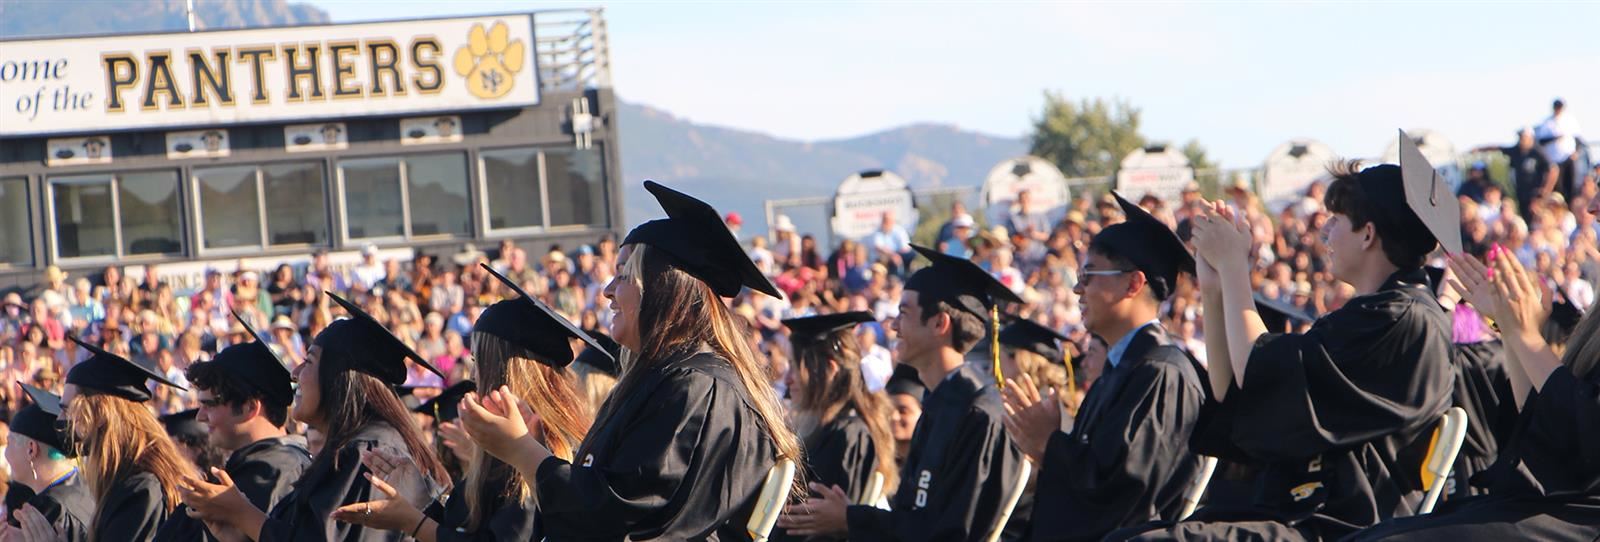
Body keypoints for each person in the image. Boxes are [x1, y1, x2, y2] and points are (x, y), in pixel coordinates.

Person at [1115, 155, 1458, 541]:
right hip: (1303, 510)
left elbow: (1259, 368)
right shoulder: (1378, 311)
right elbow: (1234, 389)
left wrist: (1234, 269)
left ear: (1367, 234)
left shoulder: (1402, 317)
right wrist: (1215, 287)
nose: (1326, 232)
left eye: (1337, 220)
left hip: (1344, 522)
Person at [455, 180, 802, 539]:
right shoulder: (671, 379)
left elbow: (622, 520)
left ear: (661, 289)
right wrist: (533, 452)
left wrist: (524, 453)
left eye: (623, 276)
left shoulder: (695, 387)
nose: (607, 290)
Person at [1346, 227, 1600, 540]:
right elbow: (1541, 419)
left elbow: (1589, 433)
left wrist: (1527, 336)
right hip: (1554, 507)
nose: (1592, 207)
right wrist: (1511, 329)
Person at [333, 263, 606, 541]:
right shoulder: (502, 445)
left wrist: (413, 523)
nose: (473, 374)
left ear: (504, 367)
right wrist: (421, 501)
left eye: (478, 360)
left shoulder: (539, 442)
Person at [783, 244, 1027, 540]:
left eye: (904, 313)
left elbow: (951, 533)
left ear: (939, 323)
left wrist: (851, 519)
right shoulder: (942, 402)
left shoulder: (977, 413)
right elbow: (916, 517)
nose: (894, 326)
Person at [1003, 192, 1208, 541]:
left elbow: (1126, 498)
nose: (1077, 288)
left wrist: (1050, 444)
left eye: (1090, 275)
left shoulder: (1161, 374)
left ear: (1133, 283)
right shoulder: (1117, 371)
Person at [176, 292, 448, 542]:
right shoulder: (359, 448)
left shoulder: (366, 453)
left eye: (309, 361)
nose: (294, 372)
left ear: (338, 376)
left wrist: (243, 514)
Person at [154, 313, 311, 542]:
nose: (200, 417)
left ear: (249, 407)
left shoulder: (270, 474)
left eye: (210, 404)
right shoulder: (268, 464)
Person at [773, 312, 897, 542]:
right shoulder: (825, 427)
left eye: (794, 366)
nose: (787, 379)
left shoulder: (848, 435)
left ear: (829, 368)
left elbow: (822, 530)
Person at [56, 336, 193, 542]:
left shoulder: (142, 489)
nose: (60, 420)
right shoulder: (125, 478)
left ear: (100, 414)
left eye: (67, 410)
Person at [2, 384, 92, 542]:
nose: (5, 454)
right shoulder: (84, 487)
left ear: (31, 449)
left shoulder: (47, 511)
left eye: (9, 443)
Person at [882, 364, 927, 468]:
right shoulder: (875, 463)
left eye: (903, 411)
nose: (893, 417)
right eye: (888, 410)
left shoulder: (932, 465)